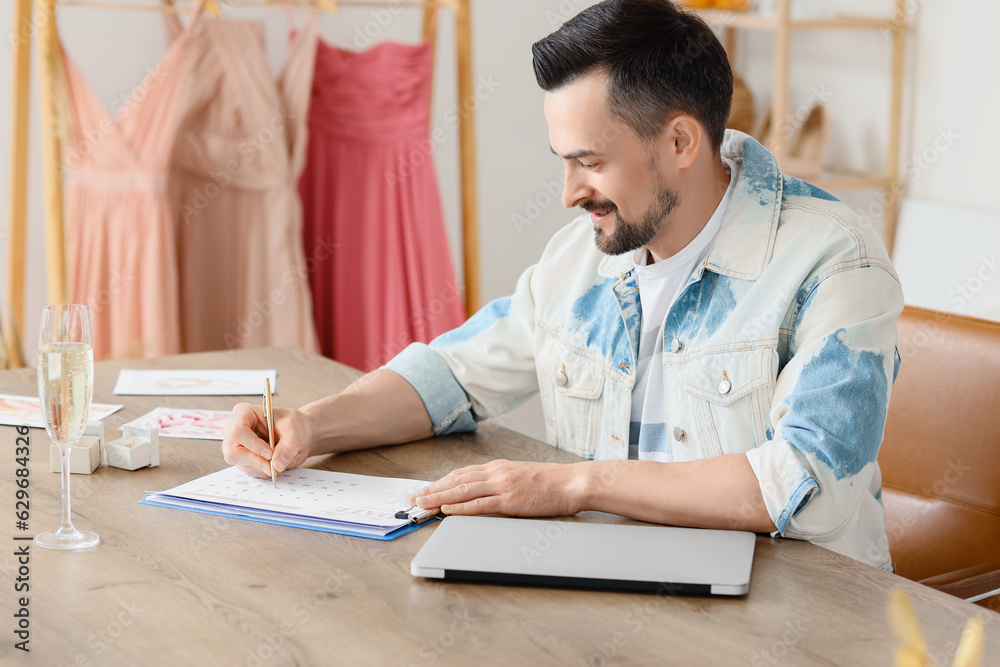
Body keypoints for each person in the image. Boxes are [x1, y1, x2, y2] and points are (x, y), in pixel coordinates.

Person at [222, 0, 903, 569]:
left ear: (680, 142)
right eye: (562, 162)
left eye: (591, 162)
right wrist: (311, 423)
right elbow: (451, 375)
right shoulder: (581, 262)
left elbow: (803, 482)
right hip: (614, 589)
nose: (568, 194)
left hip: (802, 618)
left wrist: (573, 485)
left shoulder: (834, 261)